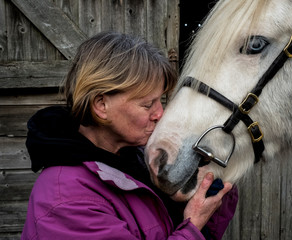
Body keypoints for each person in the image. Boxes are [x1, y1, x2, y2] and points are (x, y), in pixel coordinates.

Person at [21, 31, 238, 240]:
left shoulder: (135, 159)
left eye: (160, 100)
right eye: (147, 104)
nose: (160, 113)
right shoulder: (66, 200)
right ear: (101, 105)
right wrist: (193, 227)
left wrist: (206, 184)